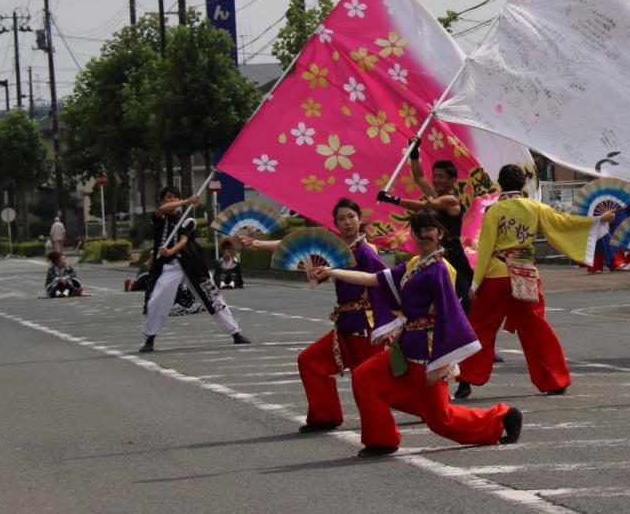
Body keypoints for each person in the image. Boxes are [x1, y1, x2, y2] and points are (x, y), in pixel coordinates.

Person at [312, 208, 522, 457]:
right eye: (418, 231)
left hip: (429, 351)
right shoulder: (415, 264)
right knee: (364, 377)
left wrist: (443, 363)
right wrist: (331, 272)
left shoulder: (441, 270)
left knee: (439, 420)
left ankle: (501, 419)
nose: (423, 236)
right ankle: (381, 440)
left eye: (429, 230)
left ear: (440, 233)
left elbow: (450, 316)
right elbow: (373, 279)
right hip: (406, 344)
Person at [455, 164, 615, 401]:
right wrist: (597, 221)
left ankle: (466, 379)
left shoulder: (494, 211)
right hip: (525, 273)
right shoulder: (535, 207)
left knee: (480, 327)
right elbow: (564, 222)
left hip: (497, 274)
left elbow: (486, 247)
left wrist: (475, 285)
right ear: (522, 185)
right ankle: (554, 380)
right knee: (536, 328)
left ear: (500, 183)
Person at [242, 197, 393, 433]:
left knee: (367, 381)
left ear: (360, 220)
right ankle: (325, 416)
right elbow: (297, 245)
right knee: (310, 361)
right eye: (341, 218)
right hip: (344, 325)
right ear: (335, 223)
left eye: (351, 217)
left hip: (365, 325)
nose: (347, 222)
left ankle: (418, 411)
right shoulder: (336, 248)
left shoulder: (366, 252)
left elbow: (387, 285)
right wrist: (258, 245)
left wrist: (391, 323)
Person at [140, 186, 250, 353]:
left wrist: (171, 250)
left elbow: (184, 240)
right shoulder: (159, 217)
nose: (170, 201)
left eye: (173, 197)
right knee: (157, 299)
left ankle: (235, 333)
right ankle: (150, 338)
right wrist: (187, 201)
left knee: (212, 296)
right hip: (170, 266)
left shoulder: (187, 220)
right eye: (167, 198)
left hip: (192, 263)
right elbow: (162, 210)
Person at [377, 139, 473, 311]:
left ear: (452, 180)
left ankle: (463, 321)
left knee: (459, 290)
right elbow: (419, 177)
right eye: (434, 176)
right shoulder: (436, 195)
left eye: (440, 177)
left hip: (452, 252)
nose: (435, 180)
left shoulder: (451, 200)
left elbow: (427, 206)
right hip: (435, 249)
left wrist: (392, 199)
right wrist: (414, 152)